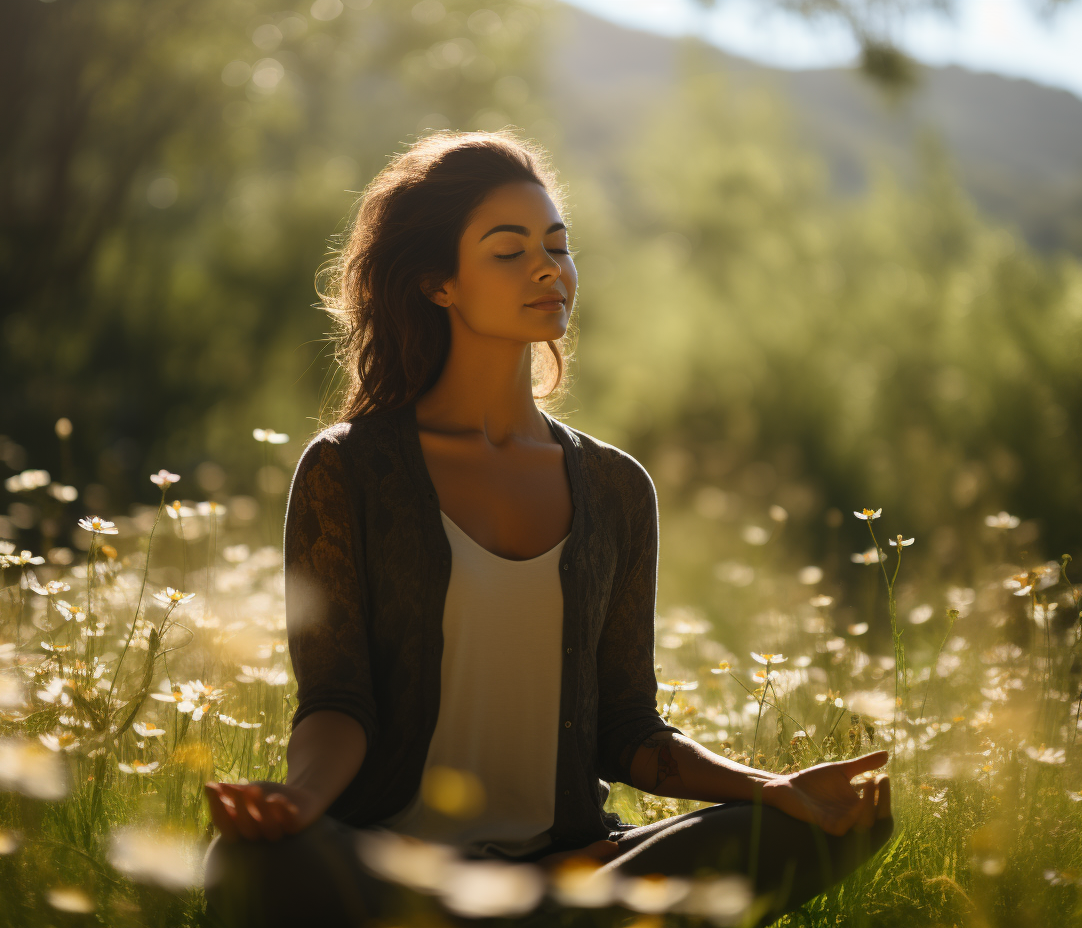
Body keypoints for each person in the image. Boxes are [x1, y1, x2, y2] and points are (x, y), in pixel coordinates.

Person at [202, 130, 894, 927]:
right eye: (508, 251)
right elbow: (338, 701)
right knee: (256, 861)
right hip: (394, 865)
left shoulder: (615, 488)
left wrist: (769, 787)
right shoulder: (350, 469)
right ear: (438, 283)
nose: (547, 268)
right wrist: (294, 806)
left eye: (558, 247)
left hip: (570, 867)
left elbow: (629, 730)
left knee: (833, 824)